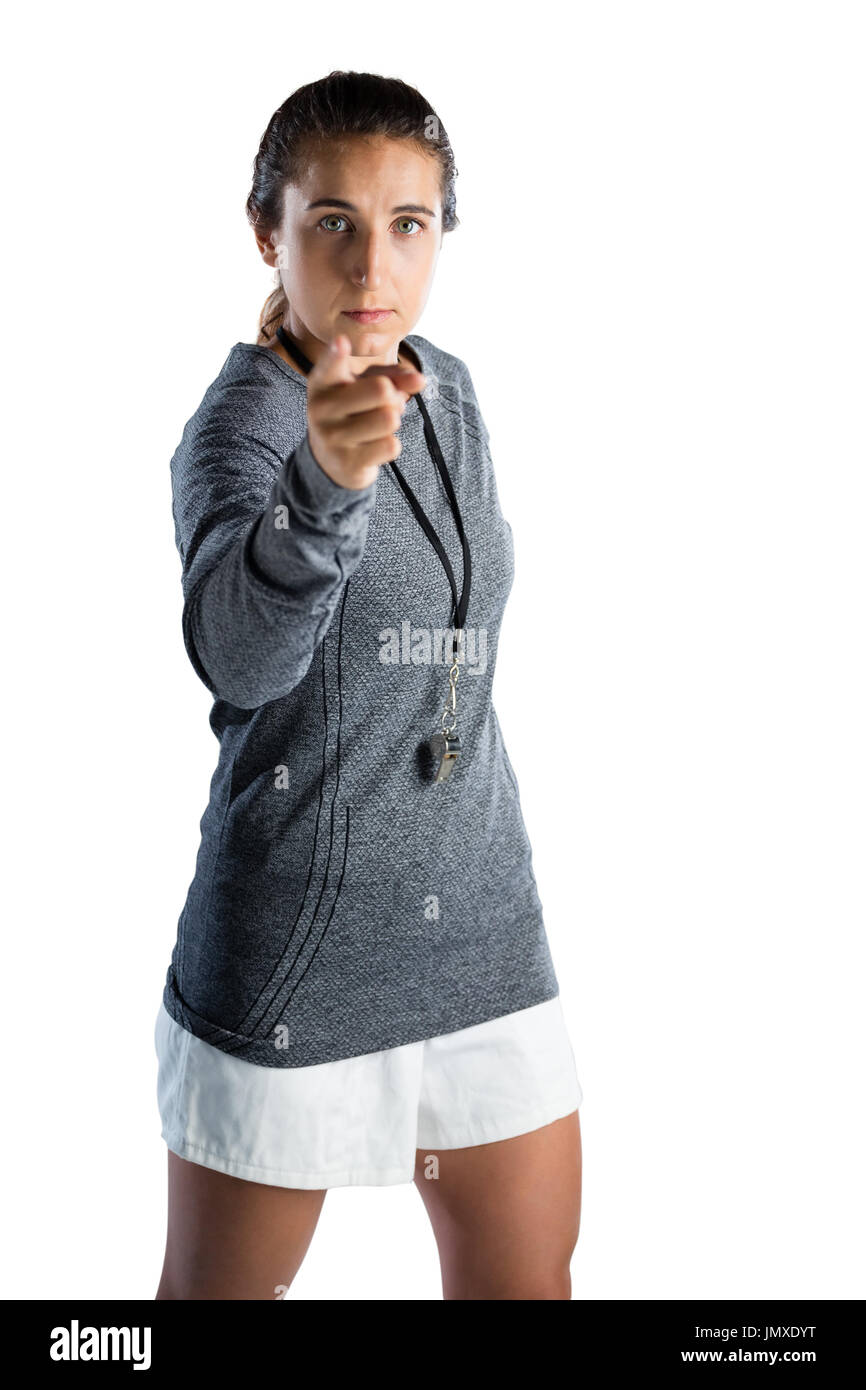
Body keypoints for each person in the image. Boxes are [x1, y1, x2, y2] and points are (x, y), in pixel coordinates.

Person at [155, 69, 584, 1301]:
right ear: (267, 233)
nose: (370, 266)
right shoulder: (237, 431)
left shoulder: (446, 382)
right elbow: (240, 659)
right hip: (294, 944)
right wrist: (320, 495)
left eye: (408, 224)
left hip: (483, 931)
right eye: (330, 221)